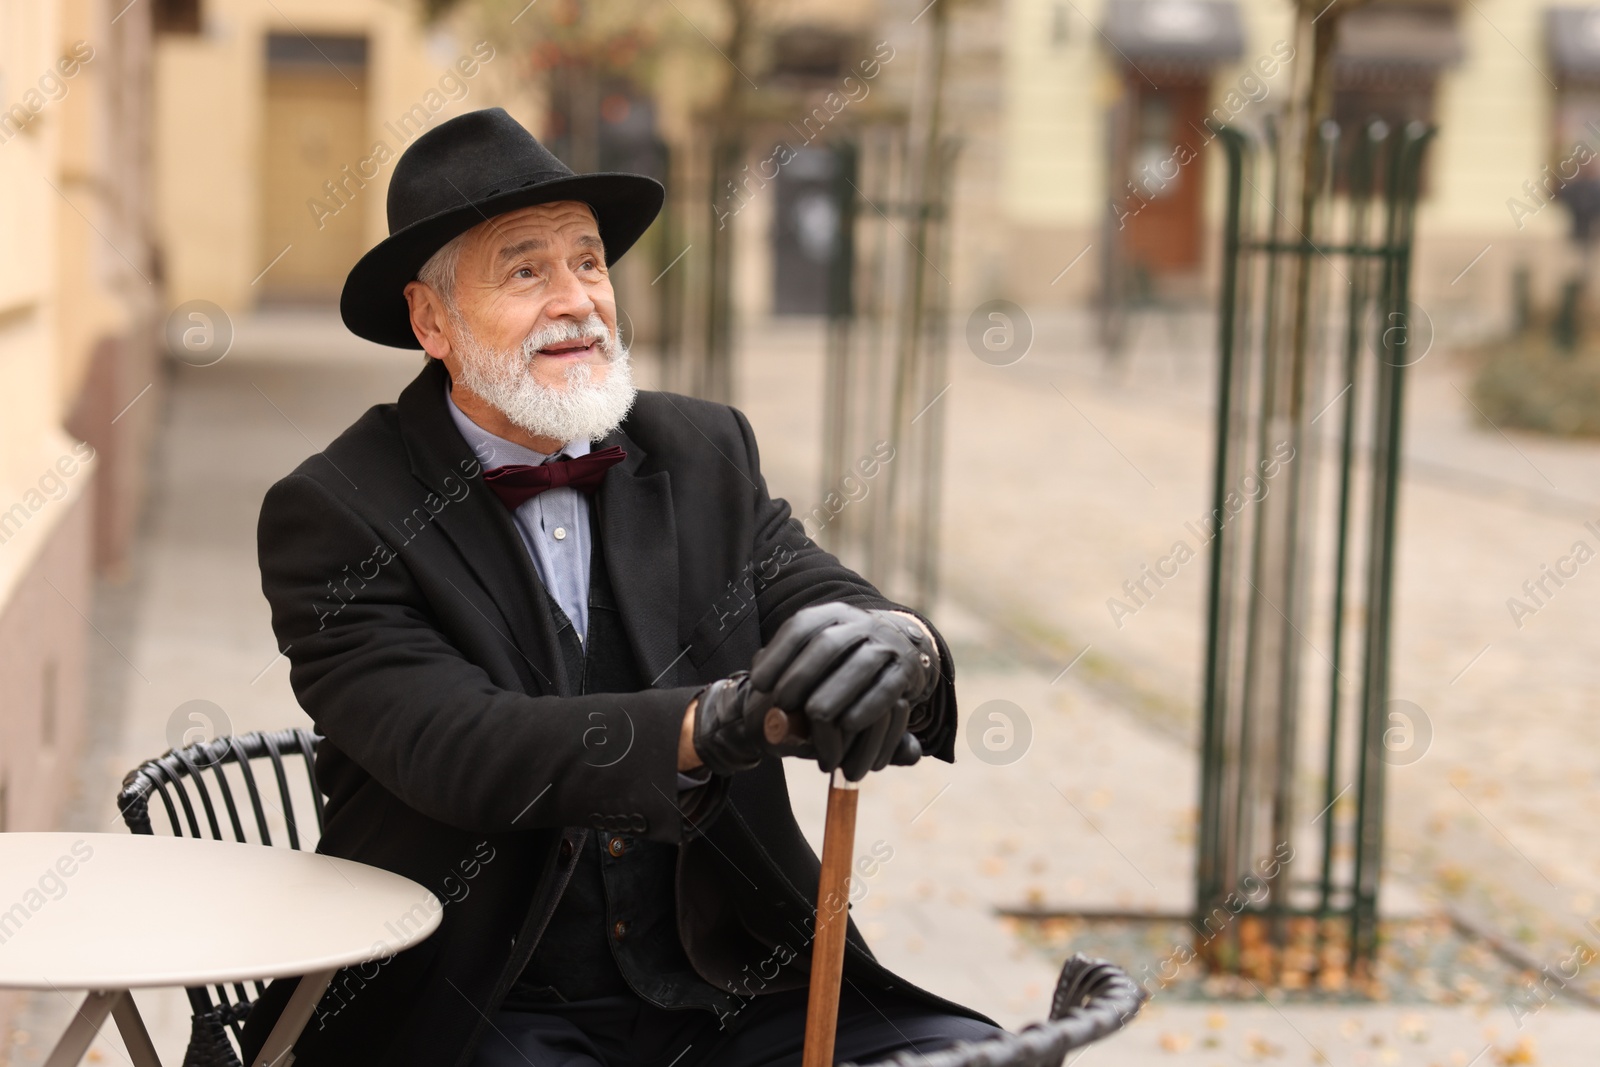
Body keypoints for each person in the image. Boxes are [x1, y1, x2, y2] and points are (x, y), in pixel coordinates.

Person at [241, 107, 1000, 1067]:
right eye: (525, 270)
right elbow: (459, 748)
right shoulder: (335, 509)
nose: (577, 301)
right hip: (477, 1000)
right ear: (430, 321)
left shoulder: (702, 447)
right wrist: (711, 725)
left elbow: (814, 586)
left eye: (589, 262)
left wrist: (898, 644)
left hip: (736, 985)